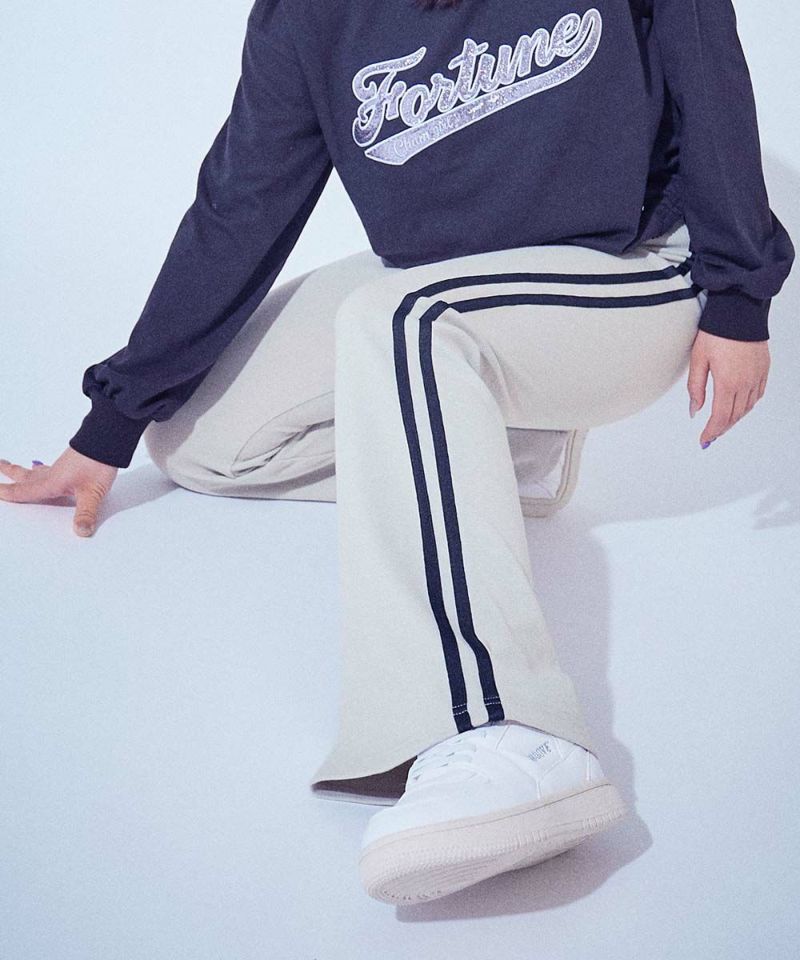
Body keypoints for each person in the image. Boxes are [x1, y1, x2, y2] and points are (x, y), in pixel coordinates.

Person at [0, 0, 794, 906]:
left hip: (634, 271)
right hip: (457, 289)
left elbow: (708, 74)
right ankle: (500, 452)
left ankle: (506, 731)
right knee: (200, 441)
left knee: (398, 321)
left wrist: (740, 295)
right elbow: (240, 208)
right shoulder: (308, 16)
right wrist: (110, 427)